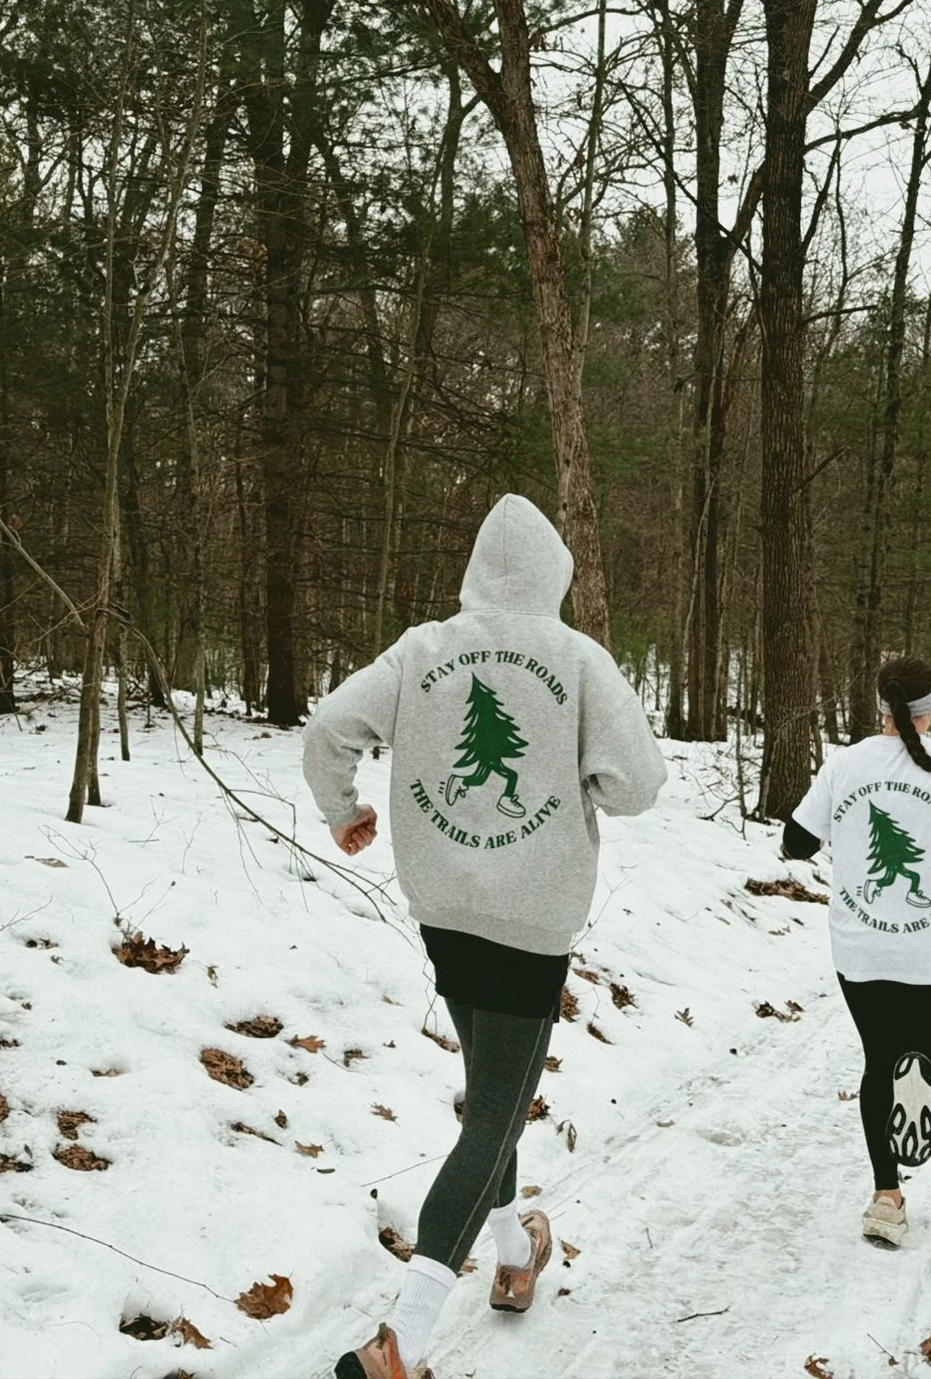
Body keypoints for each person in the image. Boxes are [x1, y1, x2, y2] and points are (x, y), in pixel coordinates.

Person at [304, 494, 668, 1379]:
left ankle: (514, 1252)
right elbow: (641, 784)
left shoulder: (420, 648)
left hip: (443, 910)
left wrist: (344, 810)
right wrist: (585, 780)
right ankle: (405, 1340)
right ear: (554, 578)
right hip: (532, 922)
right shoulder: (577, 659)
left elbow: (326, 731)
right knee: (495, 1115)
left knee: (490, 1095)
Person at [781, 656, 931, 1247]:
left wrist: (814, 838)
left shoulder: (845, 763)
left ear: (879, 705)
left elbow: (797, 843)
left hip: (861, 952)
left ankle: (886, 1198)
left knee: (879, 1062)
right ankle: (923, 1077)